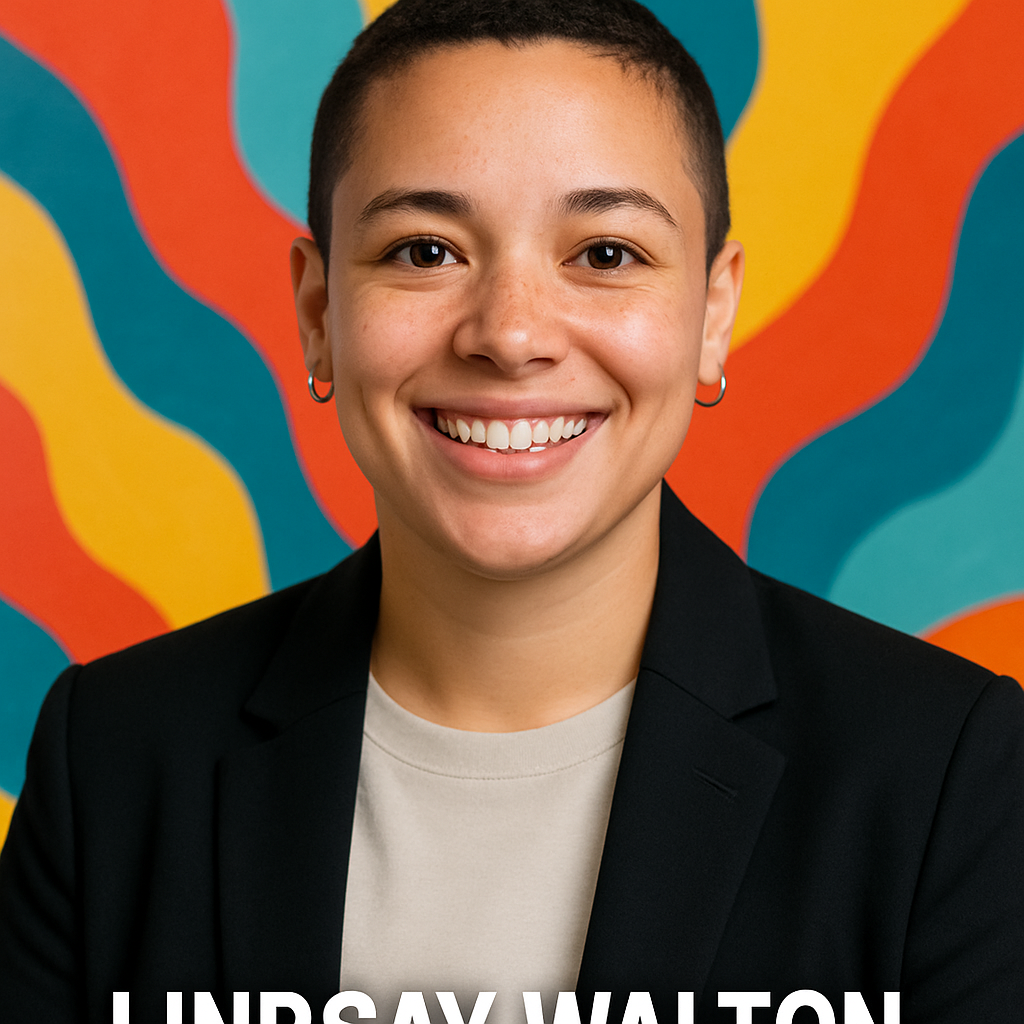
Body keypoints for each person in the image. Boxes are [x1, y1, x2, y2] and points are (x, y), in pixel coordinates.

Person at [1, 0, 1022, 1021]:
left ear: (713, 314)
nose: (511, 333)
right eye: (425, 251)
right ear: (319, 314)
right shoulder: (113, 760)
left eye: (606, 254)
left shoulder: (947, 777)